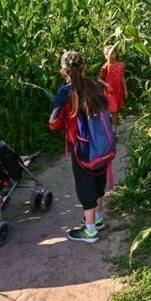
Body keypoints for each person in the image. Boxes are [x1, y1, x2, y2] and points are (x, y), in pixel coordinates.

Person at [49, 51, 110, 244]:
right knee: (99, 178)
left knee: (85, 185)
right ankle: (98, 219)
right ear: (84, 67)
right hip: (102, 143)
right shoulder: (94, 85)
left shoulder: (65, 92)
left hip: (80, 145)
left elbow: (54, 122)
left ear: (63, 71)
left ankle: (90, 230)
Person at [98, 44, 128, 131]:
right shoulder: (105, 67)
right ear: (104, 55)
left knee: (116, 110)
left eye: (112, 53)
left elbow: (122, 77)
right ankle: (114, 130)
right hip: (109, 92)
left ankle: (112, 125)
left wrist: (125, 90)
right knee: (113, 111)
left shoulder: (120, 65)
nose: (110, 56)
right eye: (107, 54)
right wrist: (107, 85)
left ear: (116, 54)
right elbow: (99, 79)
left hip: (118, 91)